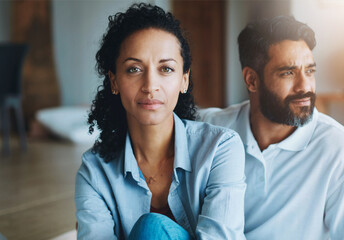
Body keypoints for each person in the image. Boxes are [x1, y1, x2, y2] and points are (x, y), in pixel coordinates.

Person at [75, 3, 246, 239]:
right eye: (134, 69)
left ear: (184, 80)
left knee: (152, 228)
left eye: (166, 69)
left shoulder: (220, 148)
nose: (150, 86)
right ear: (114, 81)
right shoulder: (95, 170)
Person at [198, 16, 344, 239]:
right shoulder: (212, 128)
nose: (305, 86)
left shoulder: (336, 147)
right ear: (252, 80)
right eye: (288, 73)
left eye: (310, 71)